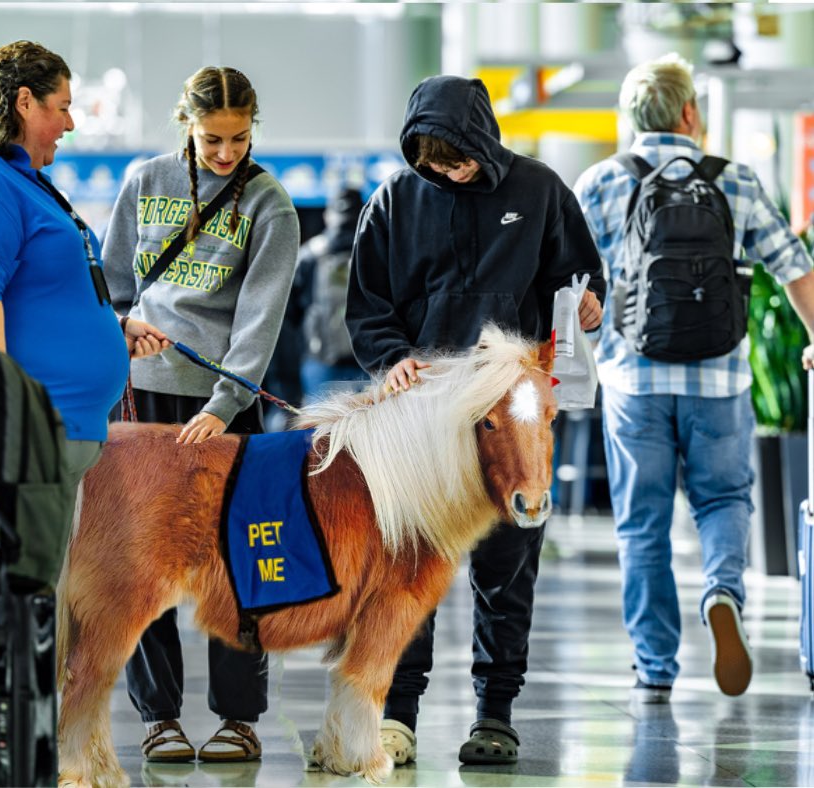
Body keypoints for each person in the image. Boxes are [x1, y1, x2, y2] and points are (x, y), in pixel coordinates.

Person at [345, 74, 605, 765]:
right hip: (423, 422)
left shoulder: (541, 190)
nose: (447, 171)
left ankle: (495, 714)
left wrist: (589, 304)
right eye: (431, 161)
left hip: (511, 416)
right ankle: (397, 717)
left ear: (482, 138)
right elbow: (367, 306)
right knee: (410, 567)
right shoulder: (394, 202)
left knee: (507, 565)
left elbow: (581, 277)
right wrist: (392, 358)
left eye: (456, 157)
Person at [573, 53, 814, 704]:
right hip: (721, 380)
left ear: (632, 119)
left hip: (633, 382)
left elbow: (566, 284)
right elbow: (794, 268)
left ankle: (655, 663)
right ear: (690, 112)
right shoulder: (733, 179)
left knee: (642, 524)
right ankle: (722, 591)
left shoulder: (600, 181)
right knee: (724, 501)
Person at [102, 66, 300, 764]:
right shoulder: (143, 181)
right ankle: (158, 717)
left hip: (223, 405)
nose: (226, 153)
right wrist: (125, 326)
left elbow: (259, 322)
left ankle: (239, 719)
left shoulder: (270, 204)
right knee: (142, 556)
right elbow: (114, 288)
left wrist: (225, 405)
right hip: (141, 396)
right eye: (213, 138)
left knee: (235, 562)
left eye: (240, 138)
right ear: (186, 122)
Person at [0, 40, 169, 534]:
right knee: (4, 605)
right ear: (25, 101)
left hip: (48, 437)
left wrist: (112, 333)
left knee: (38, 607)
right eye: (63, 107)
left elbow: (37, 293)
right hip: (9, 439)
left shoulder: (17, 179)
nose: (70, 124)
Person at [292, 186, 368, 400]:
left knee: (319, 427)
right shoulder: (375, 249)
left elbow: (289, 311)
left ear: (328, 215)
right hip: (368, 358)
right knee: (370, 425)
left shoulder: (309, 254)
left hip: (320, 358)